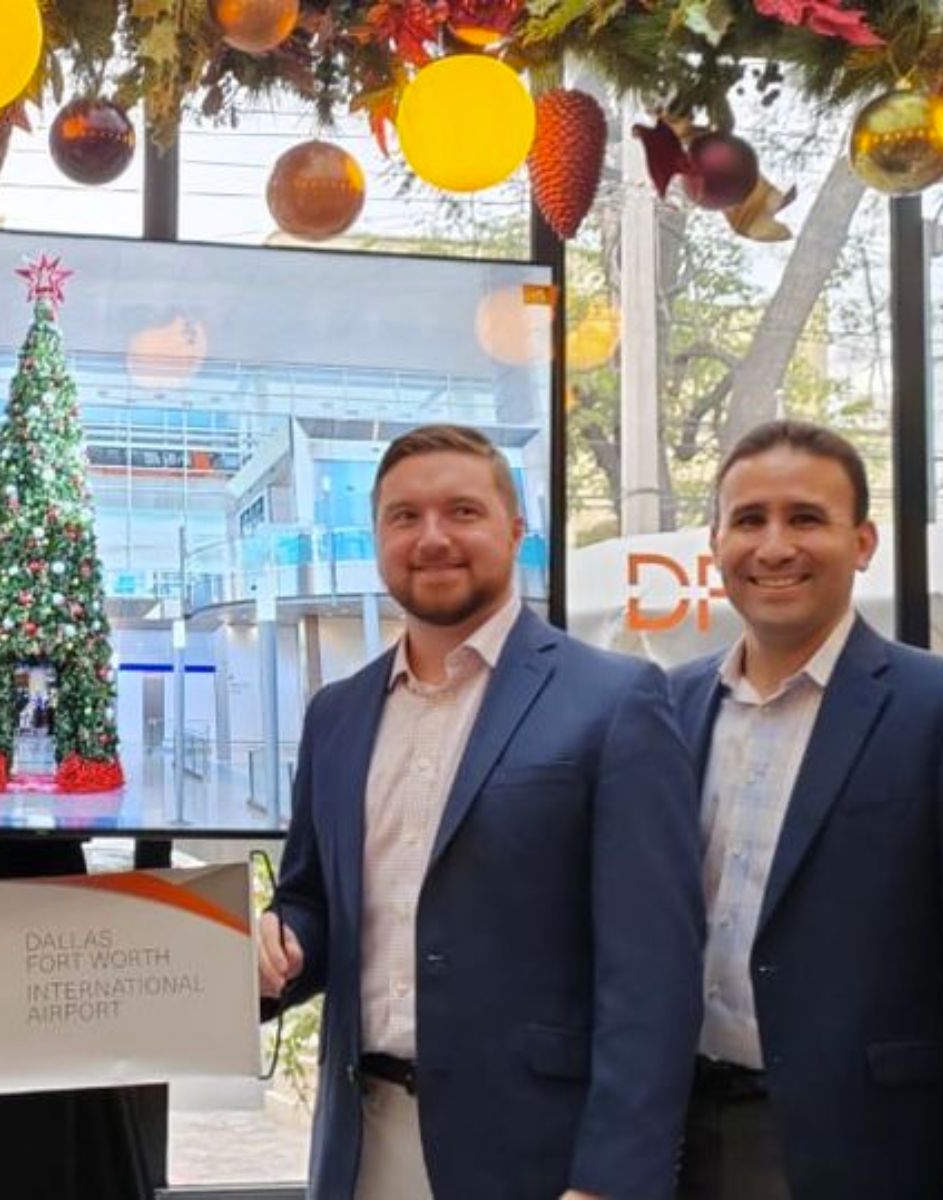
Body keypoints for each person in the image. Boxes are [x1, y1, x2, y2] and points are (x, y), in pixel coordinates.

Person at [258, 423, 704, 1199]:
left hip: (536, 1158)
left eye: (462, 511)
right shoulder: (336, 713)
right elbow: (313, 901)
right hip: (360, 1147)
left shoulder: (616, 700)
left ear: (516, 530)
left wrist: (612, 1180)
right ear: (378, 537)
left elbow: (654, 971)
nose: (432, 537)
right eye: (404, 516)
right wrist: (282, 941)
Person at [669, 419, 943, 1198]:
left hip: (869, 1149)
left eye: (805, 518)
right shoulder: (667, 705)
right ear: (716, 542)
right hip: (676, 1135)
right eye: (749, 520)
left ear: (861, 543)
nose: (774, 547)